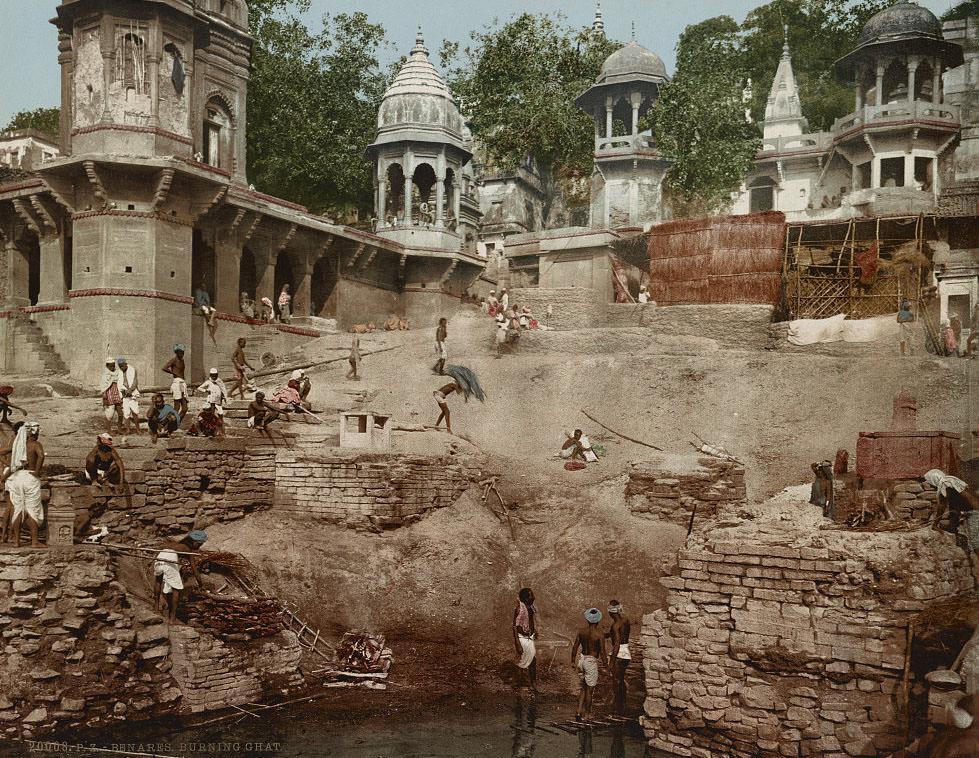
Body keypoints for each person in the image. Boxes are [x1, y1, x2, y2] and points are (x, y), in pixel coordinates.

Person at [2, 421, 44, 547]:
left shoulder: (17, 445)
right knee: (32, 509)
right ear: (33, 433)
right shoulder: (35, 444)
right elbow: (41, 456)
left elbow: (0, 452)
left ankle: (16, 541)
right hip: (30, 477)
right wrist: (37, 471)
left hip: (16, 477)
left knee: (17, 510)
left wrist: (10, 465)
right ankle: (34, 542)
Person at [154, 530, 207, 623]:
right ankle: (173, 617)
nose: (199, 547)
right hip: (171, 558)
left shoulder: (175, 544)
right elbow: (194, 570)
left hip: (161, 554)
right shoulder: (188, 550)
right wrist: (201, 584)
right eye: (199, 544)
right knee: (176, 588)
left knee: (158, 580)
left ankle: (156, 607)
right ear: (194, 542)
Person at [572, 608, 605, 722]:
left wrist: (572, 661)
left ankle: (578, 711)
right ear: (598, 621)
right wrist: (607, 666)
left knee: (584, 687)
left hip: (581, 660)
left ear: (587, 620)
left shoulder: (581, 632)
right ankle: (587, 715)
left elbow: (575, 646)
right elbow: (603, 653)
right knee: (590, 690)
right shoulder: (599, 635)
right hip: (590, 662)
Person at [606, 601, 631, 715]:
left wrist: (611, 662)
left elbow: (616, 644)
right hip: (626, 652)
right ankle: (622, 706)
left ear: (611, 613)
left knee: (616, 682)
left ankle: (617, 708)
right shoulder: (625, 620)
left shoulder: (615, 625)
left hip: (619, 653)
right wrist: (607, 634)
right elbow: (621, 635)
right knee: (620, 680)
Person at [512, 587, 539, 692]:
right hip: (522, 638)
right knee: (523, 661)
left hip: (529, 637)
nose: (534, 597)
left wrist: (534, 631)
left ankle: (530, 683)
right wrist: (517, 643)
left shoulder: (530, 607)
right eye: (531, 596)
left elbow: (531, 621)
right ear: (526, 598)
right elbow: (514, 627)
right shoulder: (520, 609)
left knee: (531, 660)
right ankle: (518, 683)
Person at [196, 368, 228, 436]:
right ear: (210, 375)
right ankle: (210, 431)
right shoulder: (208, 382)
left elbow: (223, 389)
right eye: (212, 375)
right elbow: (199, 388)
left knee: (220, 416)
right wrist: (206, 390)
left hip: (218, 401)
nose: (214, 377)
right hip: (211, 401)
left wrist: (225, 397)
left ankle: (222, 432)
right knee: (211, 416)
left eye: (215, 375)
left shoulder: (219, 381)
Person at [162, 345, 189, 420]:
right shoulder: (174, 360)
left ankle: (176, 421)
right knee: (177, 407)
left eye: (183, 352)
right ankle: (169, 423)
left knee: (185, 408)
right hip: (177, 383)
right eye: (180, 352)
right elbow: (164, 367)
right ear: (176, 352)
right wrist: (173, 373)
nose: (182, 354)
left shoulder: (182, 360)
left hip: (182, 383)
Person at [98, 358, 125, 435]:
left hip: (117, 394)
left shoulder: (117, 373)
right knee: (109, 414)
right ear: (107, 366)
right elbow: (103, 387)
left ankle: (119, 429)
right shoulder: (105, 376)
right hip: (109, 395)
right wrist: (104, 398)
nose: (112, 368)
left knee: (120, 413)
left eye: (113, 366)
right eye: (110, 366)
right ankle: (109, 430)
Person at [116, 358, 141, 436]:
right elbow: (119, 383)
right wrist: (123, 391)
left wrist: (130, 390)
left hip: (132, 393)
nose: (122, 368)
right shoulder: (119, 372)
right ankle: (128, 429)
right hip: (124, 395)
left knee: (134, 412)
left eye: (123, 366)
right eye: (120, 366)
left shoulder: (132, 369)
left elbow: (135, 382)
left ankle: (138, 429)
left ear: (126, 364)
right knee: (126, 413)